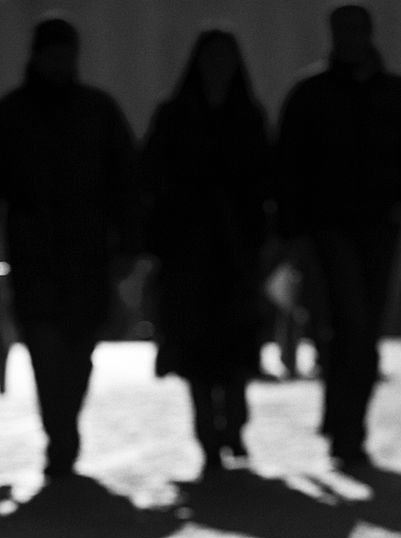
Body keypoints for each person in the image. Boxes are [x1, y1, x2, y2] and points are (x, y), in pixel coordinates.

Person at [0, 16, 140, 480]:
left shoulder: (97, 111)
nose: (62, 64)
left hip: (87, 256)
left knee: (79, 349)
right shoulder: (9, 116)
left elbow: (126, 183)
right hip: (34, 256)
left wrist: (128, 244)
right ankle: (61, 434)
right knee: (45, 348)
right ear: (39, 57)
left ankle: (63, 428)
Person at [277, 4, 401, 467]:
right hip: (328, 226)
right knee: (346, 321)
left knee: (362, 328)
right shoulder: (311, 94)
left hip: (378, 225)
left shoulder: (398, 94)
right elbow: (288, 163)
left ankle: (347, 420)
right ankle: (345, 428)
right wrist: (292, 226)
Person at [143, 30, 272, 473]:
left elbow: (265, 180)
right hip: (188, 250)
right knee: (196, 348)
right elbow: (152, 180)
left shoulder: (247, 116)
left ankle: (232, 423)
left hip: (234, 250)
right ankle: (208, 434)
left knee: (234, 343)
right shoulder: (175, 116)